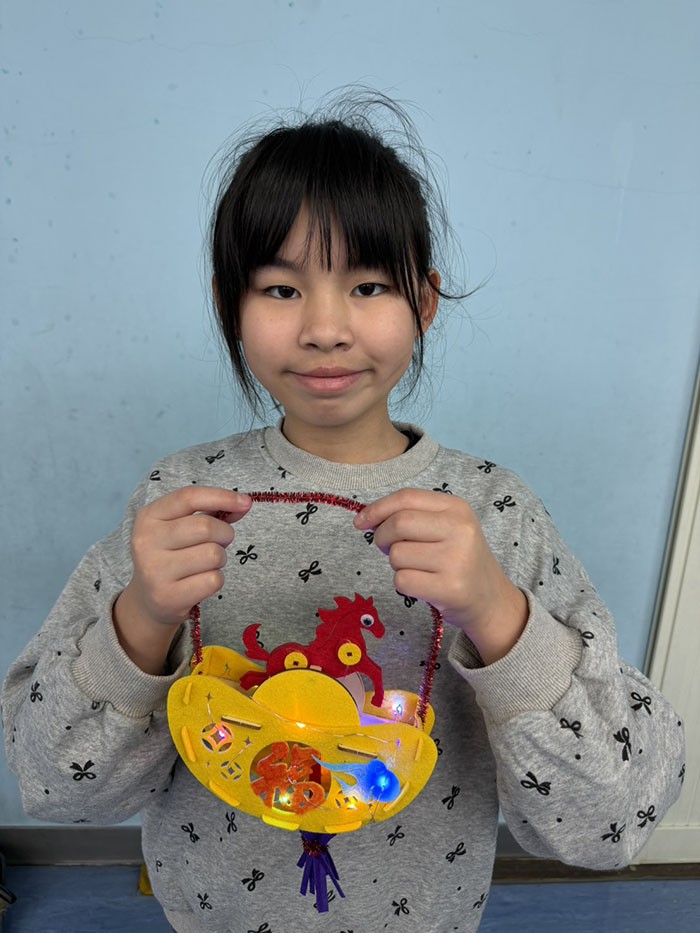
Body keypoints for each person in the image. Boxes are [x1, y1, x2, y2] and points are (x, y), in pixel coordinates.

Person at [2, 89, 685, 933]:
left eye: (367, 284)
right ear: (230, 304)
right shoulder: (177, 496)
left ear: (424, 303)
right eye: (280, 288)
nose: (325, 328)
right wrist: (141, 618)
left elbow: (612, 821)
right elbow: (55, 788)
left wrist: (500, 616)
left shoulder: (495, 511)